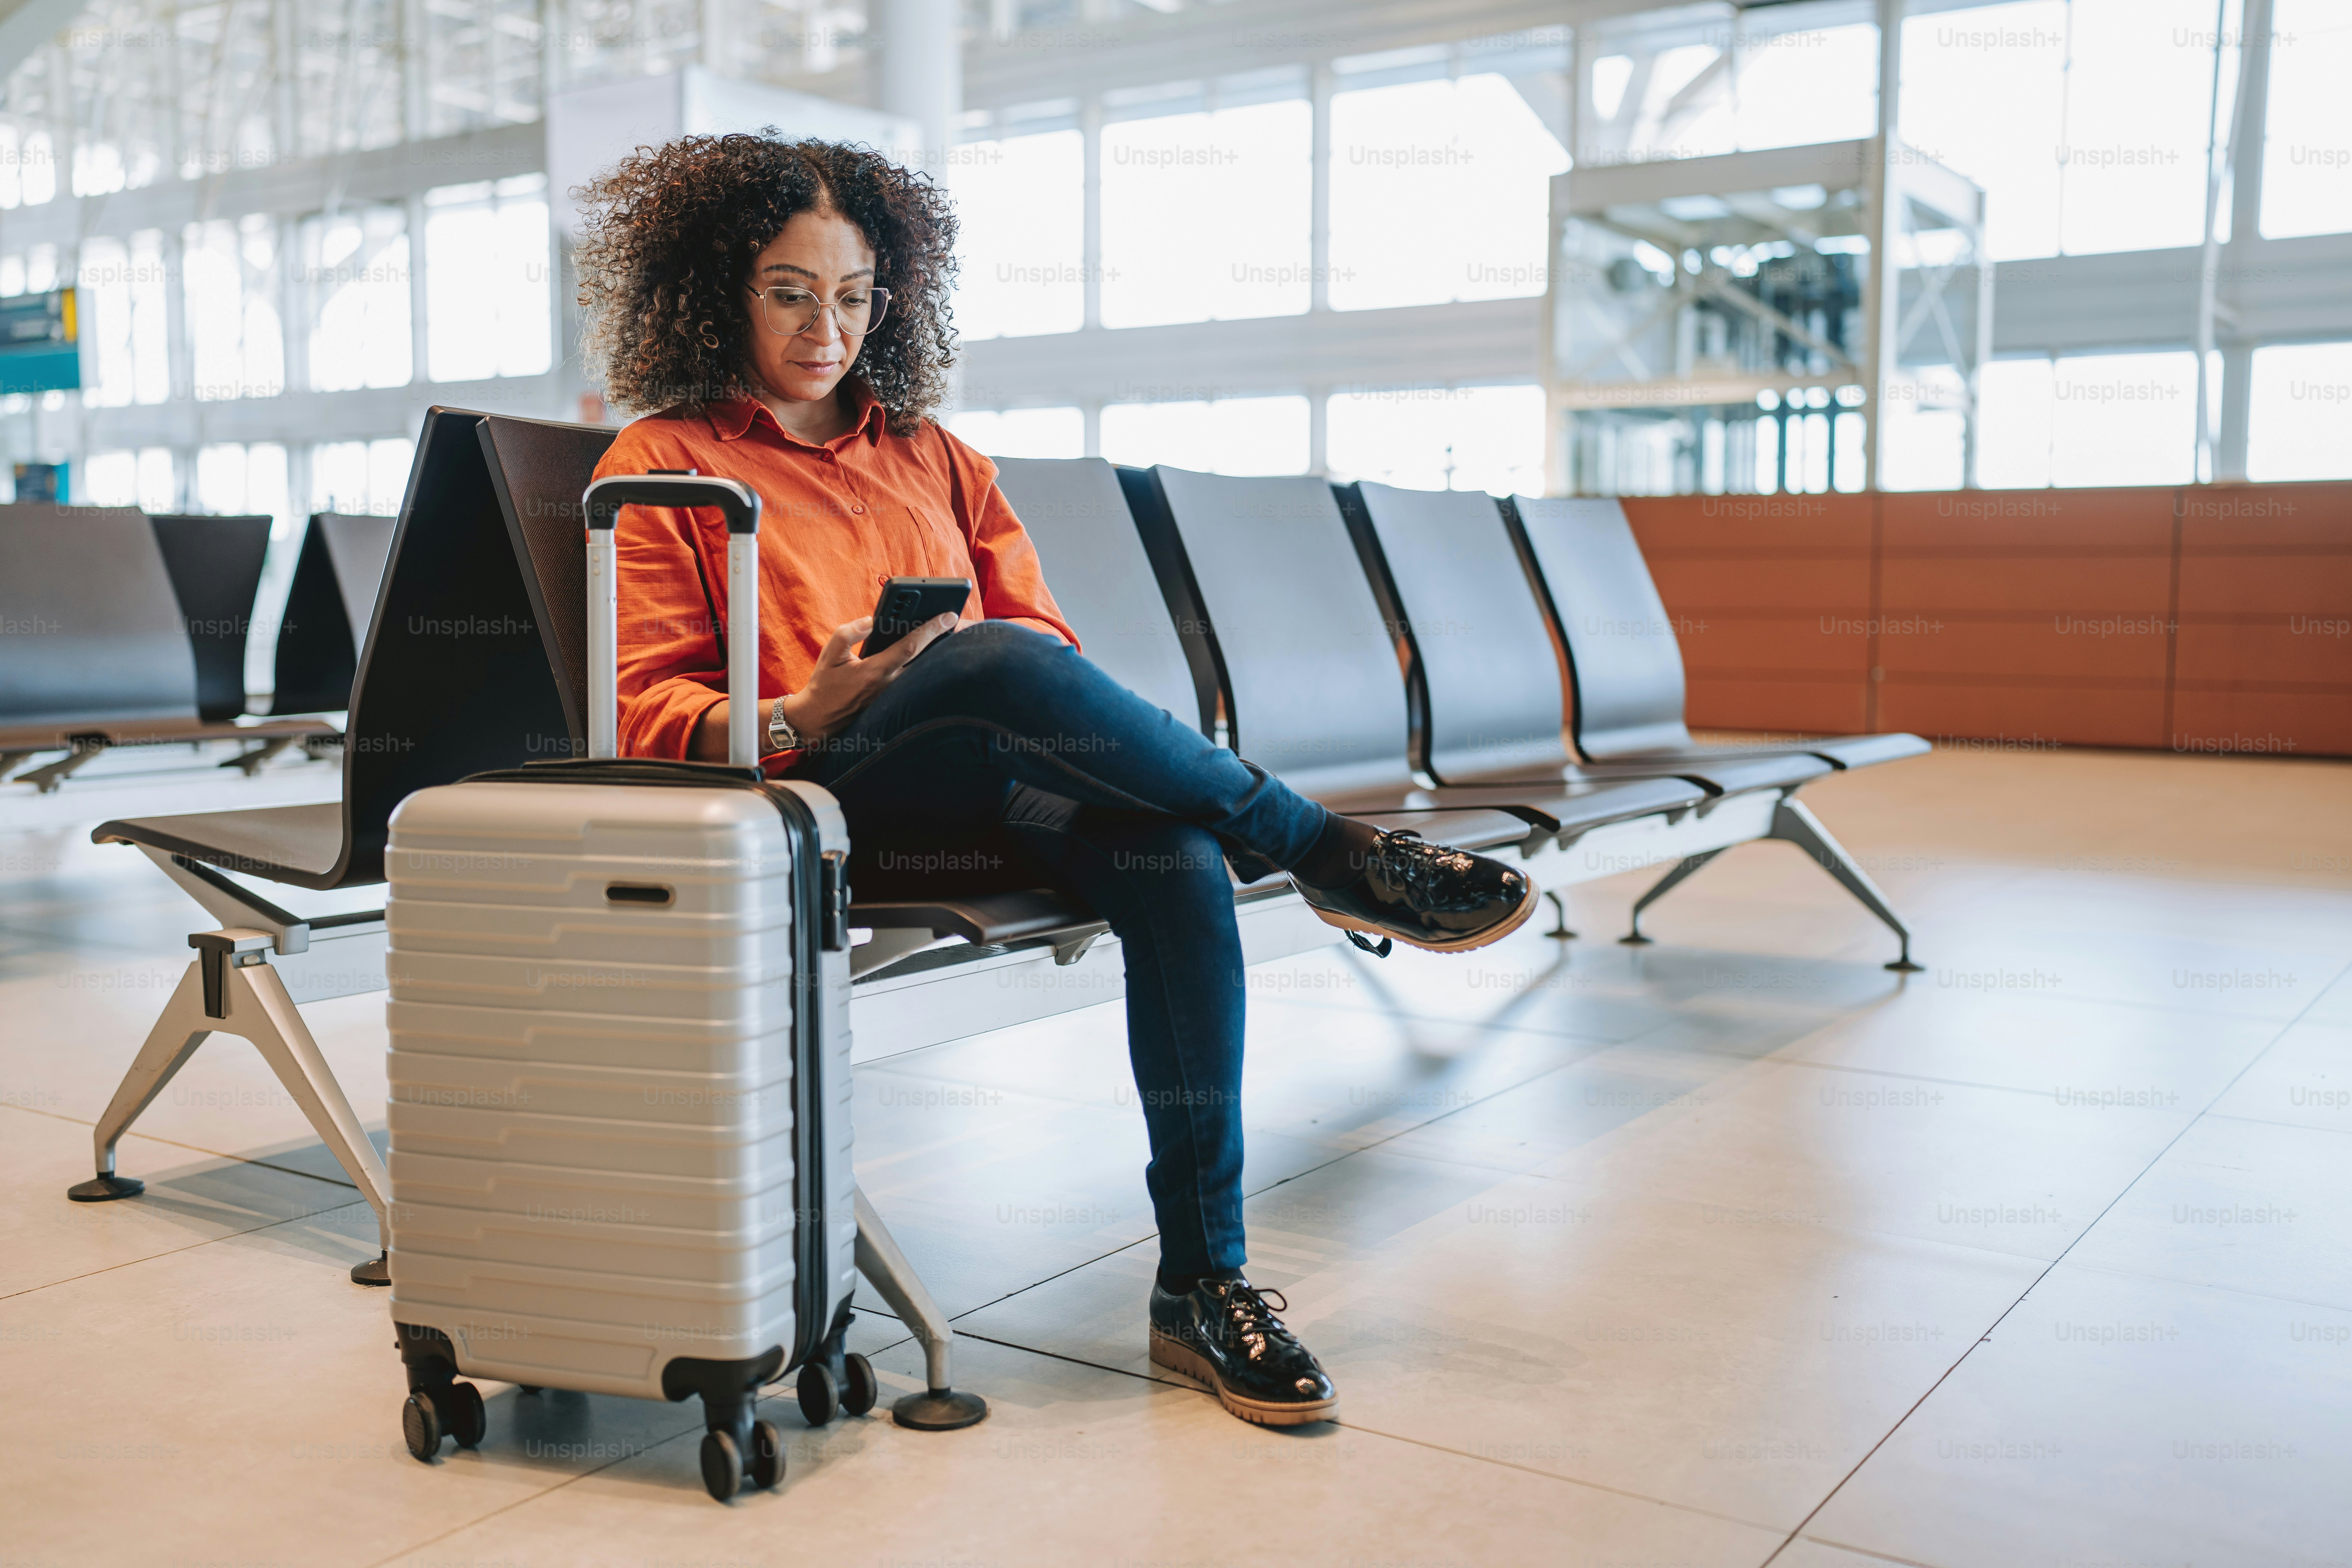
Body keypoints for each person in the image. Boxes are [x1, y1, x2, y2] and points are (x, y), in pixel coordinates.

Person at [577, 133, 1536, 1427]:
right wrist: (807, 710)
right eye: (788, 290)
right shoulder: (662, 461)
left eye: (855, 295)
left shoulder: (936, 456)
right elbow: (642, 714)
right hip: (817, 800)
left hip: (991, 776)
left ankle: (1203, 1284)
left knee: (1172, 855)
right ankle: (1324, 851)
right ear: (714, 289)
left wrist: (983, 681)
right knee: (982, 659)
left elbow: (1050, 658)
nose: (828, 326)